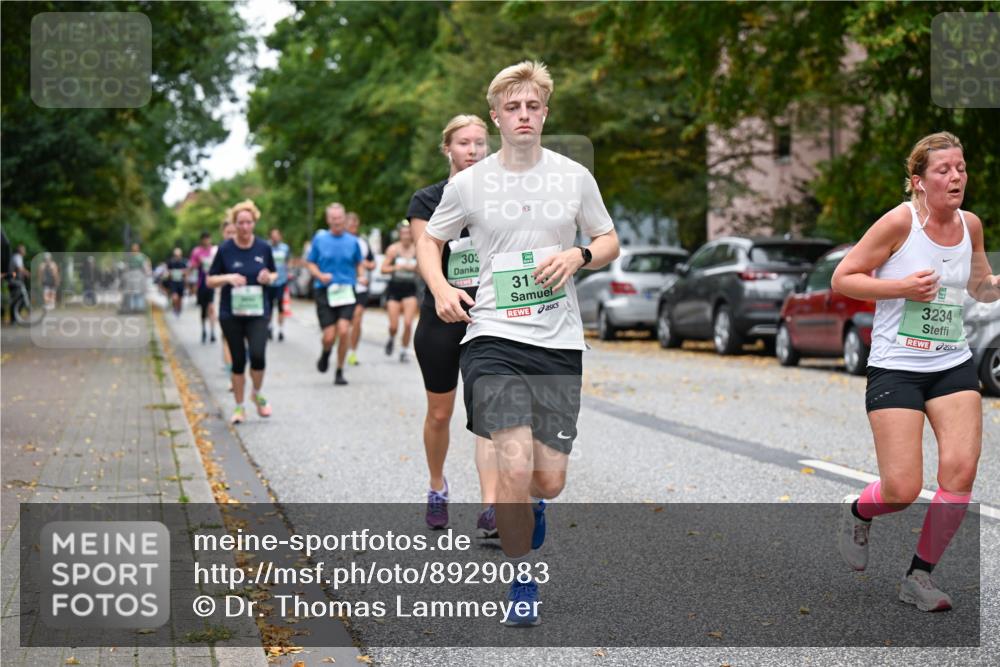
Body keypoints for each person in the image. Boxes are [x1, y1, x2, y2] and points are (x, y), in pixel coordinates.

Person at [418, 61, 619, 625]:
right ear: (496, 117)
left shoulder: (574, 177)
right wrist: (441, 290)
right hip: (493, 337)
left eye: (532, 106)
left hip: (558, 341)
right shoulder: (468, 184)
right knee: (510, 460)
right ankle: (522, 579)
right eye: (513, 107)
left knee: (547, 480)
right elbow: (430, 241)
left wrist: (579, 254)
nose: (523, 115)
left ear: (545, 113)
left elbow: (608, 239)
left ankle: (530, 505)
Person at [832, 132, 999, 611]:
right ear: (919, 181)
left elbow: (980, 287)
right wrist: (902, 287)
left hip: (951, 362)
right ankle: (858, 510)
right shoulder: (899, 222)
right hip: (897, 367)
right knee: (902, 489)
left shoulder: (970, 225)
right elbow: (843, 277)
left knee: (960, 474)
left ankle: (919, 577)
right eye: (944, 170)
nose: (956, 177)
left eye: (961, 168)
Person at [410, 114, 499, 532]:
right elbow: (425, 251)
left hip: (488, 317)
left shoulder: (499, 196)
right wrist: (443, 290)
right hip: (442, 317)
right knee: (440, 414)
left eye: (480, 143)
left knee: (488, 412)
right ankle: (436, 486)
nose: (473, 150)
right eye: (464, 143)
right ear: (447, 148)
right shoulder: (427, 200)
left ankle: (492, 506)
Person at [207, 200, 278, 424]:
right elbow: (210, 280)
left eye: (249, 222)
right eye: (240, 223)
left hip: (258, 311)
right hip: (231, 313)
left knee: (258, 355)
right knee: (238, 361)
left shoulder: (263, 247)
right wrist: (228, 277)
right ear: (234, 224)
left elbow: (274, 273)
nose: (245, 227)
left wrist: (267, 277)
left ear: (254, 223)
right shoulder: (225, 249)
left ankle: (256, 393)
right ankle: (239, 407)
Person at [307, 202, 366, 386]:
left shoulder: (352, 241)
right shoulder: (320, 239)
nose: (337, 221)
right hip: (325, 290)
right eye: (333, 218)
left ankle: (339, 370)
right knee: (329, 336)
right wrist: (319, 275)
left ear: (344, 218)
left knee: (343, 330)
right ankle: (326, 352)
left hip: (347, 290)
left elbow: (359, 263)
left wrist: (361, 276)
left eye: (339, 217)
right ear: (328, 220)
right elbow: (310, 263)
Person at [381, 222, 420, 362]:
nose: (406, 236)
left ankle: (403, 350)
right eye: (403, 233)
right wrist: (396, 268)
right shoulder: (393, 249)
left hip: (410, 288)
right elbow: (383, 269)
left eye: (408, 233)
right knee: (394, 326)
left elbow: (425, 270)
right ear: (400, 234)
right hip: (394, 288)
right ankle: (391, 337)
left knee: (408, 323)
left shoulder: (418, 248)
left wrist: (414, 268)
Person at [346, 211, 376, 366]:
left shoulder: (363, 242)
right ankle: (343, 342)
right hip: (344, 287)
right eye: (350, 224)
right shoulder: (340, 241)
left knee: (357, 319)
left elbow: (372, 263)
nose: (353, 226)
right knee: (345, 322)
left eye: (355, 224)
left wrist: (365, 264)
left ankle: (353, 352)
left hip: (360, 287)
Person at [189, 232, 218, 343]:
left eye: (208, 239)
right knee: (203, 309)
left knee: (211, 307)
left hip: (212, 283)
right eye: (205, 239)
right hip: (201, 284)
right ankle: (204, 330)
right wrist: (199, 263)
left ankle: (212, 332)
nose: (207, 241)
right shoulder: (197, 252)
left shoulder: (214, 251)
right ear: (201, 240)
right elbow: (192, 266)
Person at [267, 228, 291, 342]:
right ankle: (269, 327)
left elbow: (288, 261)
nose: (275, 238)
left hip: (281, 281)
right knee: (270, 306)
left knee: (281, 306)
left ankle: (281, 330)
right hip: (270, 282)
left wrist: (288, 272)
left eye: (277, 236)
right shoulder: (267, 248)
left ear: (280, 236)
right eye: (273, 236)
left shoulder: (285, 248)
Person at [165, 248, 187, 317]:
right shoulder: (171, 263)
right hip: (173, 282)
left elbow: (186, 272)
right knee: (175, 297)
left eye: (178, 255)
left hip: (181, 283)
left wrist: (183, 273)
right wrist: (170, 273)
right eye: (176, 255)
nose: (177, 257)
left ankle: (179, 309)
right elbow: (167, 272)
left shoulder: (183, 262)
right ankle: (174, 307)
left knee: (180, 298)